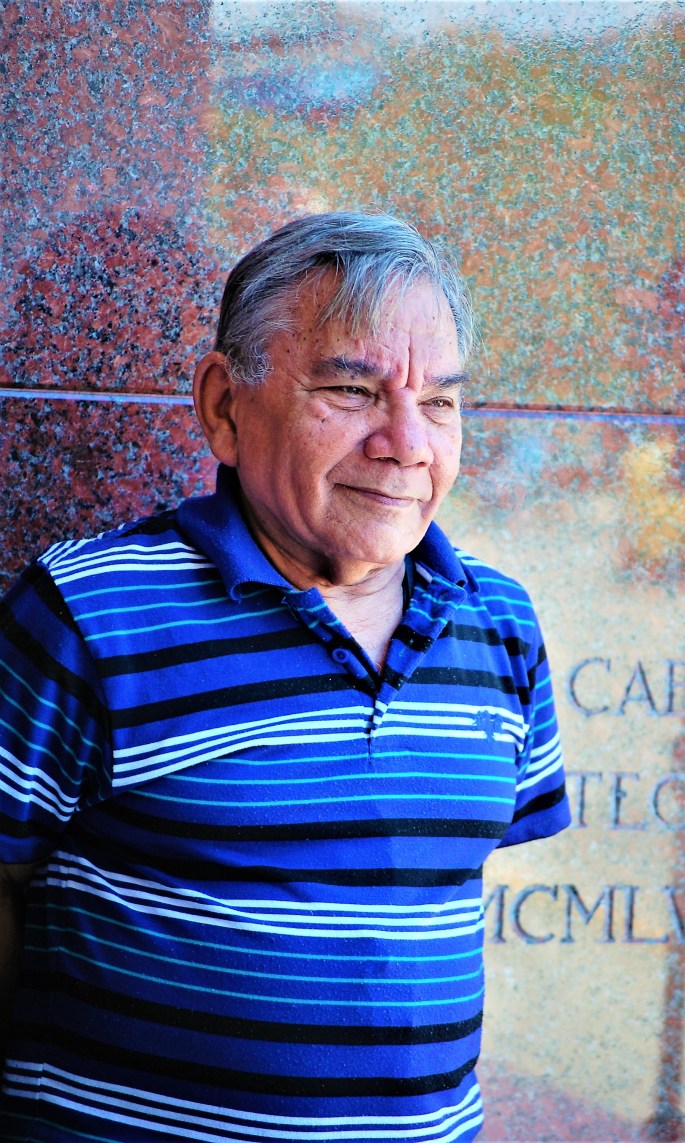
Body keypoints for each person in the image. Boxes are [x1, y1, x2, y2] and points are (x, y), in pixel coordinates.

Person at [0, 211, 570, 1142]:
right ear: (226, 407)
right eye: (352, 389)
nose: (407, 443)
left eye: (439, 402)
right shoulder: (85, 616)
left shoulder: (499, 623)